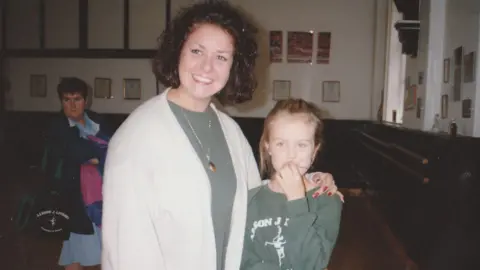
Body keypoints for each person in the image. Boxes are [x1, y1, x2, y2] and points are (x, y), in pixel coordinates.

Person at [101, 2, 339, 270]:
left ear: (234, 66)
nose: (207, 67)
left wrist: (310, 181)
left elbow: (258, 203)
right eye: (196, 51)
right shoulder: (136, 138)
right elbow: (125, 249)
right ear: (177, 50)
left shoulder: (230, 131)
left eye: (221, 57)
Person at [241, 99, 343, 270]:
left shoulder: (327, 200)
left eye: (301, 145)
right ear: (268, 147)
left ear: (314, 150)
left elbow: (314, 263)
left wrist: (297, 201)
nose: (291, 154)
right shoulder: (249, 201)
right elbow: (243, 260)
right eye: (280, 143)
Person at [46, 77, 110, 270]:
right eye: (67, 99)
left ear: (86, 100)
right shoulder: (57, 126)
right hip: (76, 199)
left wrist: (97, 155)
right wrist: (99, 153)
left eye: (77, 99)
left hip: (103, 195)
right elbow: (77, 152)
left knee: (102, 248)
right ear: (61, 101)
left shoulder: (98, 120)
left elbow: (114, 147)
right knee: (75, 248)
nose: (73, 105)